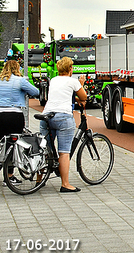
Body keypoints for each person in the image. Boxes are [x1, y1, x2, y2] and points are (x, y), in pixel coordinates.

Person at [40, 57, 87, 192]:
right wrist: (81, 84)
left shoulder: (54, 80)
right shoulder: (73, 81)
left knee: (45, 149)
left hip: (46, 115)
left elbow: (62, 95)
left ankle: (39, 180)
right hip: (63, 117)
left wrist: (75, 98)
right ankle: (65, 184)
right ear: (70, 69)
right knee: (64, 152)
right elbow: (84, 97)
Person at [0, 60, 40, 185]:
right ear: (17, 68)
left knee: (0, 143)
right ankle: (9, 175)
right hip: (14, 115)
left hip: (0, 114)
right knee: (12, 145)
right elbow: (36, 92)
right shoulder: (20, 80)